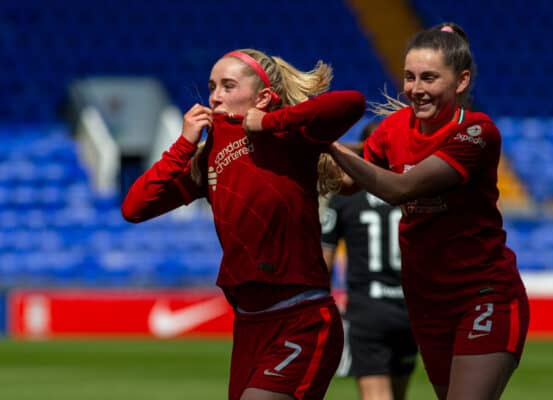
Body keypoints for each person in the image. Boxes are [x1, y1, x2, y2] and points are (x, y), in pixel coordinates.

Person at [121, 48, 366, 400]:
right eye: (212, 86)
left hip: (302, 317)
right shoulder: (206, 157)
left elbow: (351, 103)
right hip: (250, 325)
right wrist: (183, 144)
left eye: (228, 85)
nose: (215, 96)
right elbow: (135, 207)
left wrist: (267, 122)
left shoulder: (287, 137)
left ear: (263, 97)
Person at [327, 23, 530, 400]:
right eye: (409, 76)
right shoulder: (391, 129)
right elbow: (349, 184)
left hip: (483, 294)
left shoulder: (477, 133)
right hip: (426, 302)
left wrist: (329, 144)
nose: (415, 88)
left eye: (429, 77)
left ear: (461, 81)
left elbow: (399, 188)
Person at [320, 121, 417, 400]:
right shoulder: (416, 190)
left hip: (368, 310)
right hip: (411, 308)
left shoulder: (346, 197)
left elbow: (324, 258)